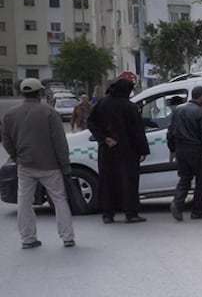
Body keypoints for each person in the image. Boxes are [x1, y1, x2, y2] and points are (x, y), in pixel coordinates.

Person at [1, 78, 75, 249]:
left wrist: (16, 157)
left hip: (25, 165)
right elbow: (59, 142)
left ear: (22, 93)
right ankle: (67, 236)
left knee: (24, 202)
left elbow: (6, 141)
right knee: (59, 200)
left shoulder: (11, 115)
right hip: (51, 166)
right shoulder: (49, 112)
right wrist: (65, 165)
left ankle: (28, 238)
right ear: (40, 92)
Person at [87, 76, 150, 223]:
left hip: (107, 151)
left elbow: (91, 123)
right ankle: (131, 213)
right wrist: (142, 150)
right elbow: (137, 131)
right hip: (128, 151)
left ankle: (108, 214)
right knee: (129, 181)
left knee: (108, 181)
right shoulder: (129, 107)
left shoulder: (102, 103)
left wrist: (103, 138)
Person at [167, 85, 202, 221]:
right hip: (196, 151)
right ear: (201, 97)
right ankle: (198, 211)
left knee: (184, 179)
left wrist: (172, 149)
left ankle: (177, 204)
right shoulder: (201, 112)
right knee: (201, 182)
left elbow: (170, 132)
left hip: (181, 150)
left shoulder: (178, 110)